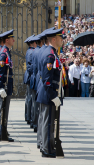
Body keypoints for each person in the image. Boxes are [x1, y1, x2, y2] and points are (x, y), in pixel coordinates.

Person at [36, 28, 64, 158]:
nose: (62, 40)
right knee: (48, 122)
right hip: (48, 93)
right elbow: (47, 79)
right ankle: (47, 149)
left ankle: (44, 145)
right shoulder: (50, 55)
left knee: (45, 120)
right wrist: (53, 95)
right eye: (60, 38)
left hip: (47, 92)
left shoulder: (50, 52)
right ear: (54, 39)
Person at [0, 30, 15, 142]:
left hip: (7, 85)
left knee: (4, 110)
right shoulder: (3, 53)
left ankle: (3, 132)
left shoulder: (7, 52)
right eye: (12, 38)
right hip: (4, 86)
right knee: (1, 110)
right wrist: (1, 87)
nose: (14, 40)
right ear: (7, 40)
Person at [24, 35, 37, 125]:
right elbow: (31, 67)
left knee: (29, 98)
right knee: (31, 98)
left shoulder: (30, 51)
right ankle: (30, 117)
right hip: (31, 76)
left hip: (29, 76)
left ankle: (28, 116)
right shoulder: (32, 52)